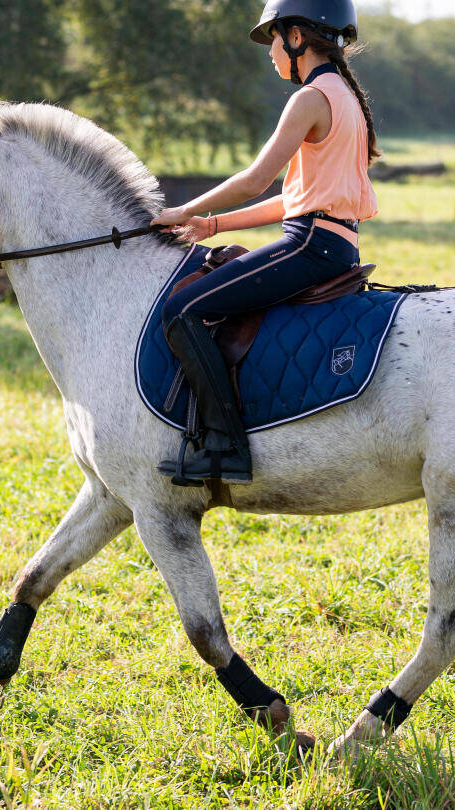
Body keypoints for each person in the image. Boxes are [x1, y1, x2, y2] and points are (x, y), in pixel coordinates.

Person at [151, 0, 380, 486]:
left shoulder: (311, 98)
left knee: (182, 311)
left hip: (309, 246)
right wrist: (213, 226)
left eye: (273, 40)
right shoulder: (346, 98)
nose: (270, 52)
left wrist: (183, 210)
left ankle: (223, 446)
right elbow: (295, 201)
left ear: (297, 37)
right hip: (328, 242)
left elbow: (257, 180)